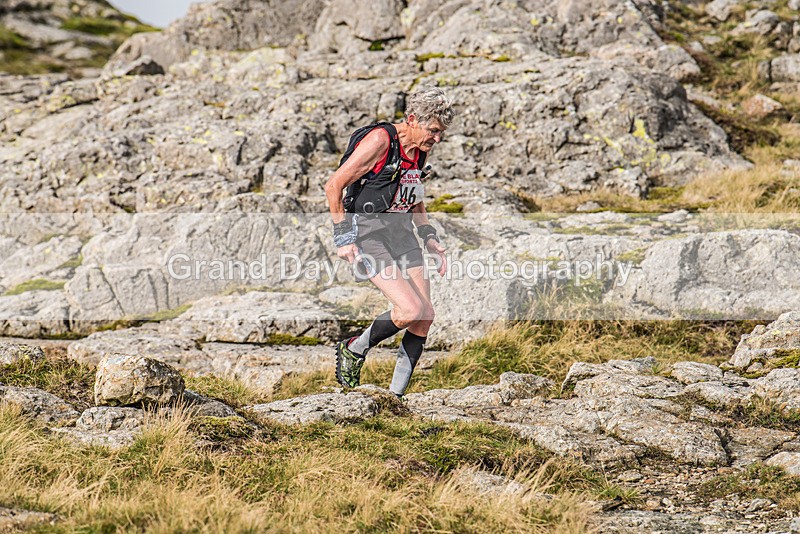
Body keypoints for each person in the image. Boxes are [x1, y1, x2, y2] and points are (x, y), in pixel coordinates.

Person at [324, 86, 455, 397]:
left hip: (401, 232)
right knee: (409, 310)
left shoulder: (421, 150)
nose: (437, 139)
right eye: (434, 131)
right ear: (412, 119)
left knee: (424, 317)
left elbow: (415, 196)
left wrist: (429, 236)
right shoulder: (381, 141)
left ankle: (395, 399)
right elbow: (334, 185)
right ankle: (354, 349)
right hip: (368, 234)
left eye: (441, 133)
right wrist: (344, 237)